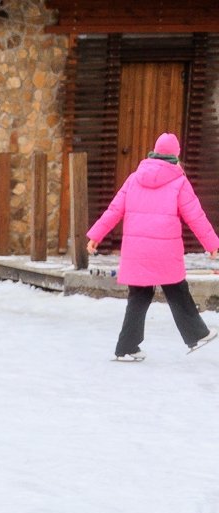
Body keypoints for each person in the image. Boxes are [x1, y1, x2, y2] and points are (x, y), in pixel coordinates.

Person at [86, 133, 218, 361]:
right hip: (165, 252)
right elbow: (196, 216)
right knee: (176, 290)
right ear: (175, 155)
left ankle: (126, 348)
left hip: (136, 251)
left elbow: (114, 210)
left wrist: (96, 235)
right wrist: (212, 244)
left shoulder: (134, 178)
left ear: (154, 152)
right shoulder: (179, 181)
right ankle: (197, 335)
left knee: (138, 296)